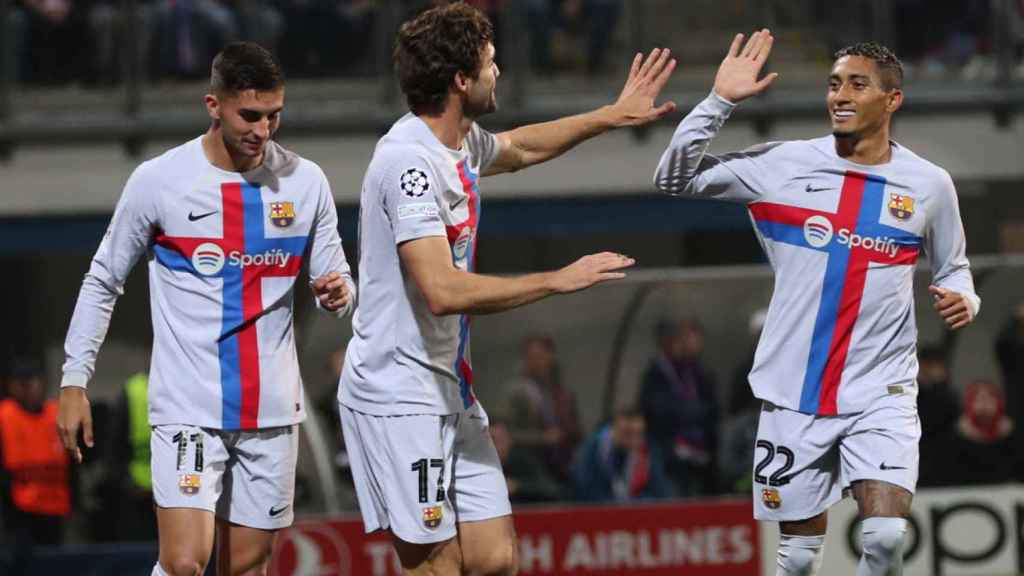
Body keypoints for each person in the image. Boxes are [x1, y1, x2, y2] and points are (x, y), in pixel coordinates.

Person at [338, 3, 676, 574]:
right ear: (461, 80)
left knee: (495, 560)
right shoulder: (407, 164)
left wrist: (611, 116)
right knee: (436, 564)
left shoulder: (460, 144)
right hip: (398, 397)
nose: (501, 75)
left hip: (451, 390)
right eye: (491, 64)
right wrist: (556, 279)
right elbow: (442, 289)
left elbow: (520, 149)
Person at [654, 31, 980, 576]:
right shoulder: (781, 165)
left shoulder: (929, 185)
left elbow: (955, 267)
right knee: (800, 558)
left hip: (883, 388)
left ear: (892, 100)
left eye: (857, 84)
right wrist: (720, 102)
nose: (840, 95)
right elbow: (672, 179)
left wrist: (965, 298)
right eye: (834, 85)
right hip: (793, 391)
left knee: (885, 539)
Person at [56, 42, 355, 576]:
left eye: (274, 115)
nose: (263, 130)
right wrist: (75, 381)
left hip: (269, 409)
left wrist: (338, 292)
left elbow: (335, 280)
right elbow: (103, 279)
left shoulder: (305, 182)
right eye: (250, 115)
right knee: (184, 563)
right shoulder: (160, 181)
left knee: (247, 568)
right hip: (189, 405)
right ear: (213, 106)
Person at [0, 359, 72, 574]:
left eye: (32, 381)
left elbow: (75, 465)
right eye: (22, 383)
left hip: (56, 509)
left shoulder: (57, 414)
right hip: (18, 513)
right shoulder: (5, 417)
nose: (29, 387)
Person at [639, 317, 719, 497]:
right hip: (670, 452)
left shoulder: (697, 371)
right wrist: (689, 412)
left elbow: (711, 407)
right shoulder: (657, 372)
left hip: (699, 451)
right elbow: (655, 409)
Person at [501, 334, 581, 486]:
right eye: (530, 357)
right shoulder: (517, 392)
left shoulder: (561, 392)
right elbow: (506, 432)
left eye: (540, 356)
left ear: (551, 357)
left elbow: (575, 426)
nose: (536, 362)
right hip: (530, 462)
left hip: (562, 460)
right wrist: (542, 437)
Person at [572, 406, 671, 503]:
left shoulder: (647, 450)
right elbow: (587, 493)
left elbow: (662, 492)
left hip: (634, 512)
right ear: (612, 429)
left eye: (639, 433)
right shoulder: (592, 451)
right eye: (628, 433)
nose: (634, 440)